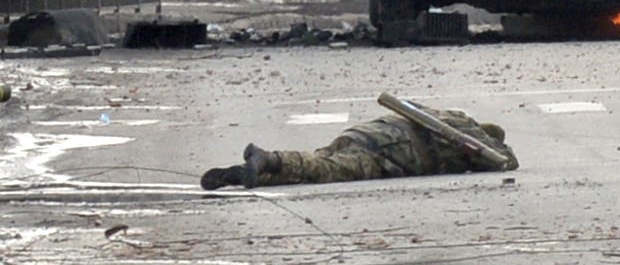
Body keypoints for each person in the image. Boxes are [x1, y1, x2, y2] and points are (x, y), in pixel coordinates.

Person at [200, 105, 516, 190]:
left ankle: (246, 174)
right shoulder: (474, 141)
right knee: (327, 170)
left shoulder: (450, 116)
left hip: (367, 134)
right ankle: (268, 159)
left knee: (318, 164)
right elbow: (507, 162)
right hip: (392, 151)